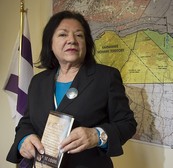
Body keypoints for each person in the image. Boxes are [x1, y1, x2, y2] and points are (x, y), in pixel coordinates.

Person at [6, 10, 137, 168]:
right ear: (50, 44)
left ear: (86, 44)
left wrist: (97, 135)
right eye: (63, 34)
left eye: (79, 35)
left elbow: (127, 123)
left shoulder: (106, 77)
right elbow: (27, 121)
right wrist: (23, 140)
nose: (72, 40)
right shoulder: (38, 81)